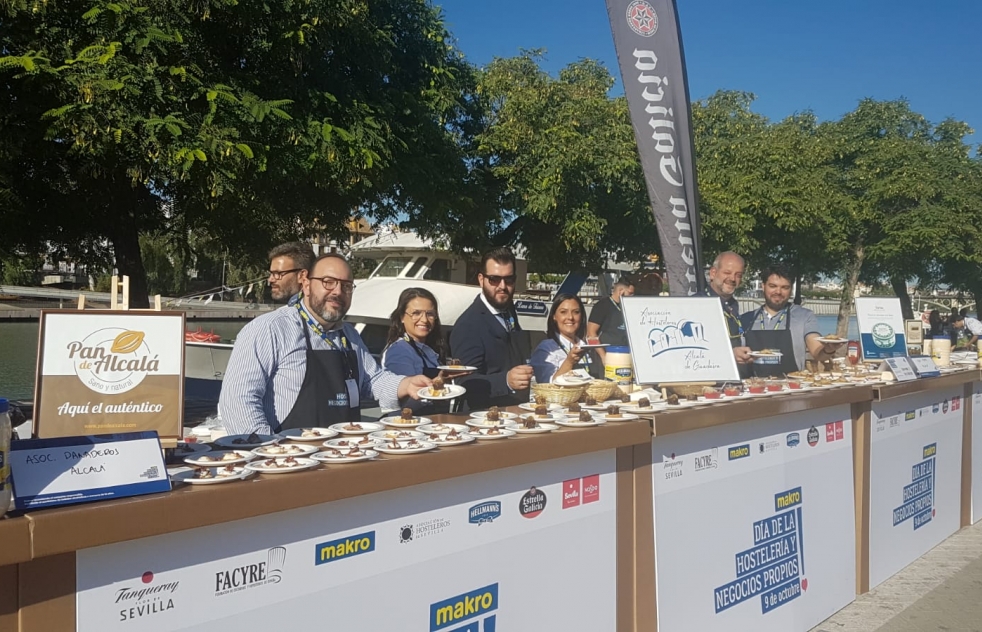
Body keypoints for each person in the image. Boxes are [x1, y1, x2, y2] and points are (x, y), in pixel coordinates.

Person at [219, 253, 431, 434]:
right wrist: (270, 451)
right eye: (328, 282)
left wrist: (406, 385)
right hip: (288, 462)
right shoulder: (269, 329)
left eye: (346, 286)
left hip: (343, 456)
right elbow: (238, 401)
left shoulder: (349, 335)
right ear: (306, 283)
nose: (338, 291)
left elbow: (372, 380)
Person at [450, 247, 534, 409]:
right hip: (485, 418)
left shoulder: (507, 307)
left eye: (509, 280)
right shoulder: (468, 325)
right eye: (494, 279)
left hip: (517, 410)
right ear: (481, 279)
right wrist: (506, 381)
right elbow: (464, 382)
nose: (502, 286)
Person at [739, 265, 844, 376]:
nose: (778, 291)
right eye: (773, 286)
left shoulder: (804, 316)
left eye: (785, 287)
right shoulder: (745, 319)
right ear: (763, 286)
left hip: (792, 387)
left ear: (790, 289)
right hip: (754, 388)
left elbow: (817, 352)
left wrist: (828, 349)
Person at [381, 287, 448, 414]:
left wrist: (444, 378)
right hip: (406, 425)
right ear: (401, 317)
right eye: (416, 313)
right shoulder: (399, 350)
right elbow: (409, 399)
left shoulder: (426, 350)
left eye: (430, 314)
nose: (424, 320)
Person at [531, 293, 605, 384]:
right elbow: (548, 384)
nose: (570, 317)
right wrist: (569, 362)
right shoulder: (546, 348)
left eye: (576, 312)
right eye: (563, 312)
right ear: (554, 316)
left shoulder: (586, 346)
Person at [704, 252, 753, 375]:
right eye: (727, 273)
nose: (732, 279)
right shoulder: (698, 303)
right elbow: (693, 349)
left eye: (738, 275)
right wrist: (730, 354)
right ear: (713, 273)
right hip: (710, 381)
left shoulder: (732, 304)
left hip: (735, 380)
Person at [587, 277, 635, 361]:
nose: (632, 296)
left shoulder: (629, 307)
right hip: (607, 355)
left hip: (627, 355)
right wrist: (603, 356)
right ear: (621, 291)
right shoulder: (602, 306)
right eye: (630, 293)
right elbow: (591, 334)